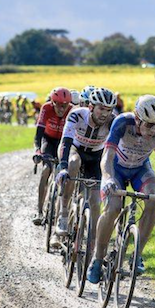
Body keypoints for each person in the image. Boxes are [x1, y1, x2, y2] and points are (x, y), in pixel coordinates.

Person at [86, 95, 155, 283]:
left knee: (154, 197)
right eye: (149, 125)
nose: (153, 130)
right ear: (137, 119)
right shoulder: (122, 122)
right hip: (116, 169)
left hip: (140, 170)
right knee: (113, 208)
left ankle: (137, 254)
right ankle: (97, 258)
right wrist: (108, 178)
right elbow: (107, 157)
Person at [52, 88, 118, 248]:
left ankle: (92, 246)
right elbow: (66, 141)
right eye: (101, 109)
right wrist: (63, 167)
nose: (105, 114)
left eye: (108, 110)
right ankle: (63, 214)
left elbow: (117, 149)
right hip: (75, 149)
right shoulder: (77, 115)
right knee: (73, 162)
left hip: (95, 156)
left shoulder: (113, 121)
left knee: (95, 201)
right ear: (91, 107)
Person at [32, 87, 73, 225]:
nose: (62, 109)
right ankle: (39, 211)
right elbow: (38, 133)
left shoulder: (72, 110)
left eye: (65, 105)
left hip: (63, 143)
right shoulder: (46, 108)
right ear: (53, 102)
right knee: (46, 170)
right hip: (48, 140)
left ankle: (62, 211)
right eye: (59, 105)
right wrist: (37, 150)